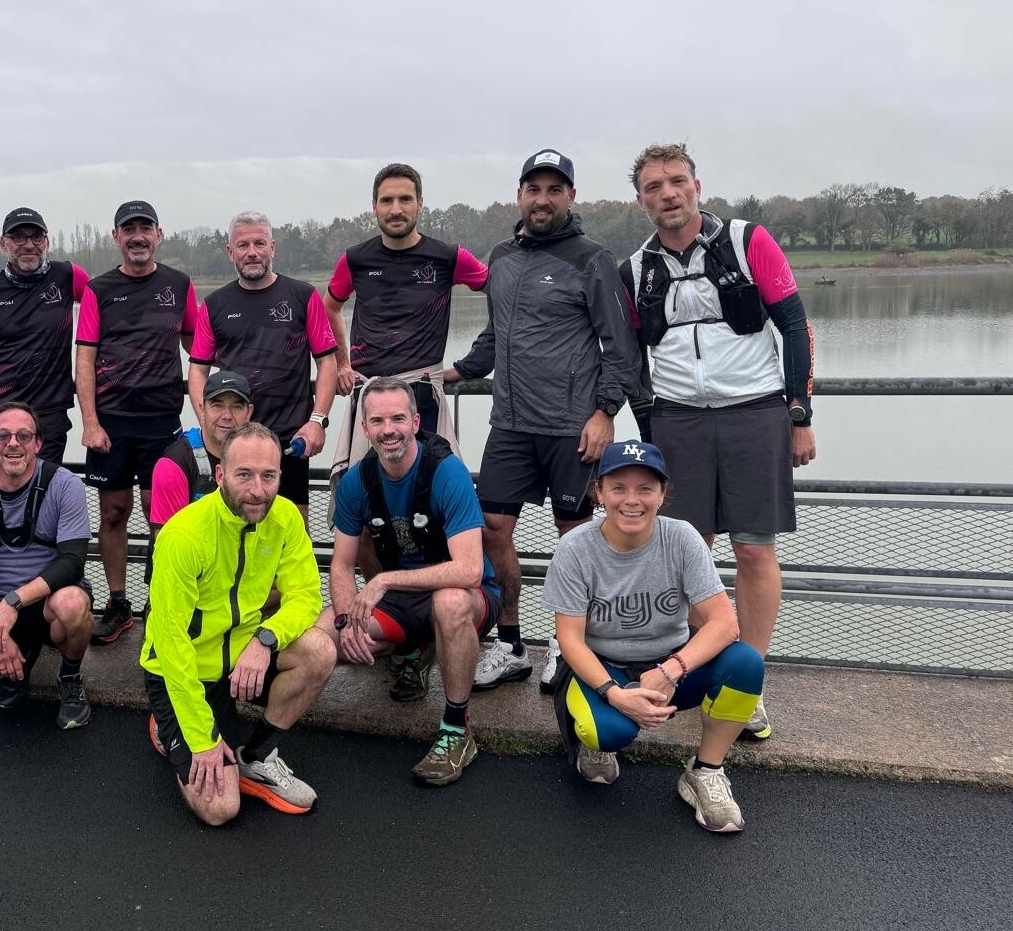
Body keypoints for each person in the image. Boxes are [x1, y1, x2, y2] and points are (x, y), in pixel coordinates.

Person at [620, 143, 816, 741]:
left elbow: (794, 325)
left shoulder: (748, 239)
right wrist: (650, 431)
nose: (667, 194)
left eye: (676, 182)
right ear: (641, 199)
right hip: (678, 419)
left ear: (697, 185)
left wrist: (799, 413)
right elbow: (631, 359)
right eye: (654, 187)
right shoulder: (635, 269)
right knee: (689, 553)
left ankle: (745, 683)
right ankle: (695, 670)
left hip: (755, 412)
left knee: (754, 551)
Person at [446, 150, 640, 695]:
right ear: (519, 195)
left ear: (571, 197)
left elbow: (619, 346)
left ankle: (567, 642)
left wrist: (605, 413)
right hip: (510, 422)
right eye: (534, 188)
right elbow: (496, 334)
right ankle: (509, 643)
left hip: (571, 426)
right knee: (490, 529)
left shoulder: (592, 258)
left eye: (555, 189)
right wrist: (456, 371)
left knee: (574, 538)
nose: (543, 199)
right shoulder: (502, 256)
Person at [543, 440, 763, 833]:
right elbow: (570, 639)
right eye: (618, 488)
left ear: (662, 495)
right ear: (599, 493)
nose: (632, 500)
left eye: (645, 488)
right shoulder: (575, 548)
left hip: (668, 664)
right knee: (607, 733)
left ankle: (705, 771)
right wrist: (614, 693)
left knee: (746, 663)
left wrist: (672, 669)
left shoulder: (681, 538)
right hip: (602, 665)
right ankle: (595, 740)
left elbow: (724, 623)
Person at [142, 422, 335, 824]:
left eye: (268, 476)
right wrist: (201, 739)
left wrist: (265, 639)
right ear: (219, 475)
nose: (258, 490)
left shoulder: (283, 517)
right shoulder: (183, 535)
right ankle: (173, 725)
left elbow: (306, 597)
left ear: (280, 476)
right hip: (184, 670)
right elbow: (170, 639)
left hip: (242, 653)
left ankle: (256, 756)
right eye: (244, 474)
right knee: (221, 810)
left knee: (319, 650)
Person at [318, 377, 500, 787]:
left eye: (398, 418)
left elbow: (469, 568)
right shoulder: (356, 482)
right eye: (378, 420)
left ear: (416, 422)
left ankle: (457, 730)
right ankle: (414, 646)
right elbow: (342, 565)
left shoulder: (446, 471)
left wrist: (385, 582)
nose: (389, 429)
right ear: (364, 428)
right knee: (321, 635)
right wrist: (347, 621)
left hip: (467, 597)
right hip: (403, 599)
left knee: (449, 603)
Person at [76, 200, 197, 644]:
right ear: (116, 237)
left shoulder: (179, 284)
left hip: (162, 419)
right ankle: (119, 601)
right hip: (111, 421)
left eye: (146, 228)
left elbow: (196, 343)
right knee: (113, 511)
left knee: (161, 515)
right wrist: (90, 421)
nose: (138, 236)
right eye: (129, 229)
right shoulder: (98, 288)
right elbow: (84, 356)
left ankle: (162, 599)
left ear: (158, 234)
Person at [0, 402, 97, 728]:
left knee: (73, 603)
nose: (13, 443)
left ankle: (69, 677)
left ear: (38, 443)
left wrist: (15, 602)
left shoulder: (65, 485)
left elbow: (72, 562)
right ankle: (17, 659)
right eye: (3, 436)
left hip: (47, 601)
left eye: (24, 435)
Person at [322, 163, 487, 457]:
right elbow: (330, 309)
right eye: (387, 200)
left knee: (431, 494)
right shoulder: (355, 260)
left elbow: (504, 294)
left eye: (405, 199)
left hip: (422, 395)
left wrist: (473, 363)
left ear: (420, 204)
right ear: (374, 207)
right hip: (369, 397)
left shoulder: (449, 257)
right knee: (363, 494)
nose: (396, 209)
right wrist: (342, 364)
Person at [188, 211, 337, 511]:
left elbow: (327, 363)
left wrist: (317, 421)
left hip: (290, 440)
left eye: (259, 243)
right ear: (230, 252)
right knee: (234, 527)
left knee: (293, 528)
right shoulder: (214, 304)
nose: (252, 253)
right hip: (234, 440)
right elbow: (197, 370)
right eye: (243, 245)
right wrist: (208, 421)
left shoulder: (302, 295)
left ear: (273, 247)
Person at [0, 207, 89, 464]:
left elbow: (103, 314)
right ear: (3, 243)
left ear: (47, 242)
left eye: (36, 237)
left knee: (45, 497)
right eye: (19, 237)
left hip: (50, 415)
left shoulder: (68, 276)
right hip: (0, 417)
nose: (29, 244)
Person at [148, 370, 253, 531]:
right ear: (202, 409)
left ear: (249, 413)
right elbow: (166, 542)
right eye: (217, 405)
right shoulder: (174, 463)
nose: (227, 415)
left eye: (236, 407)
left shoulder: (259, 458)